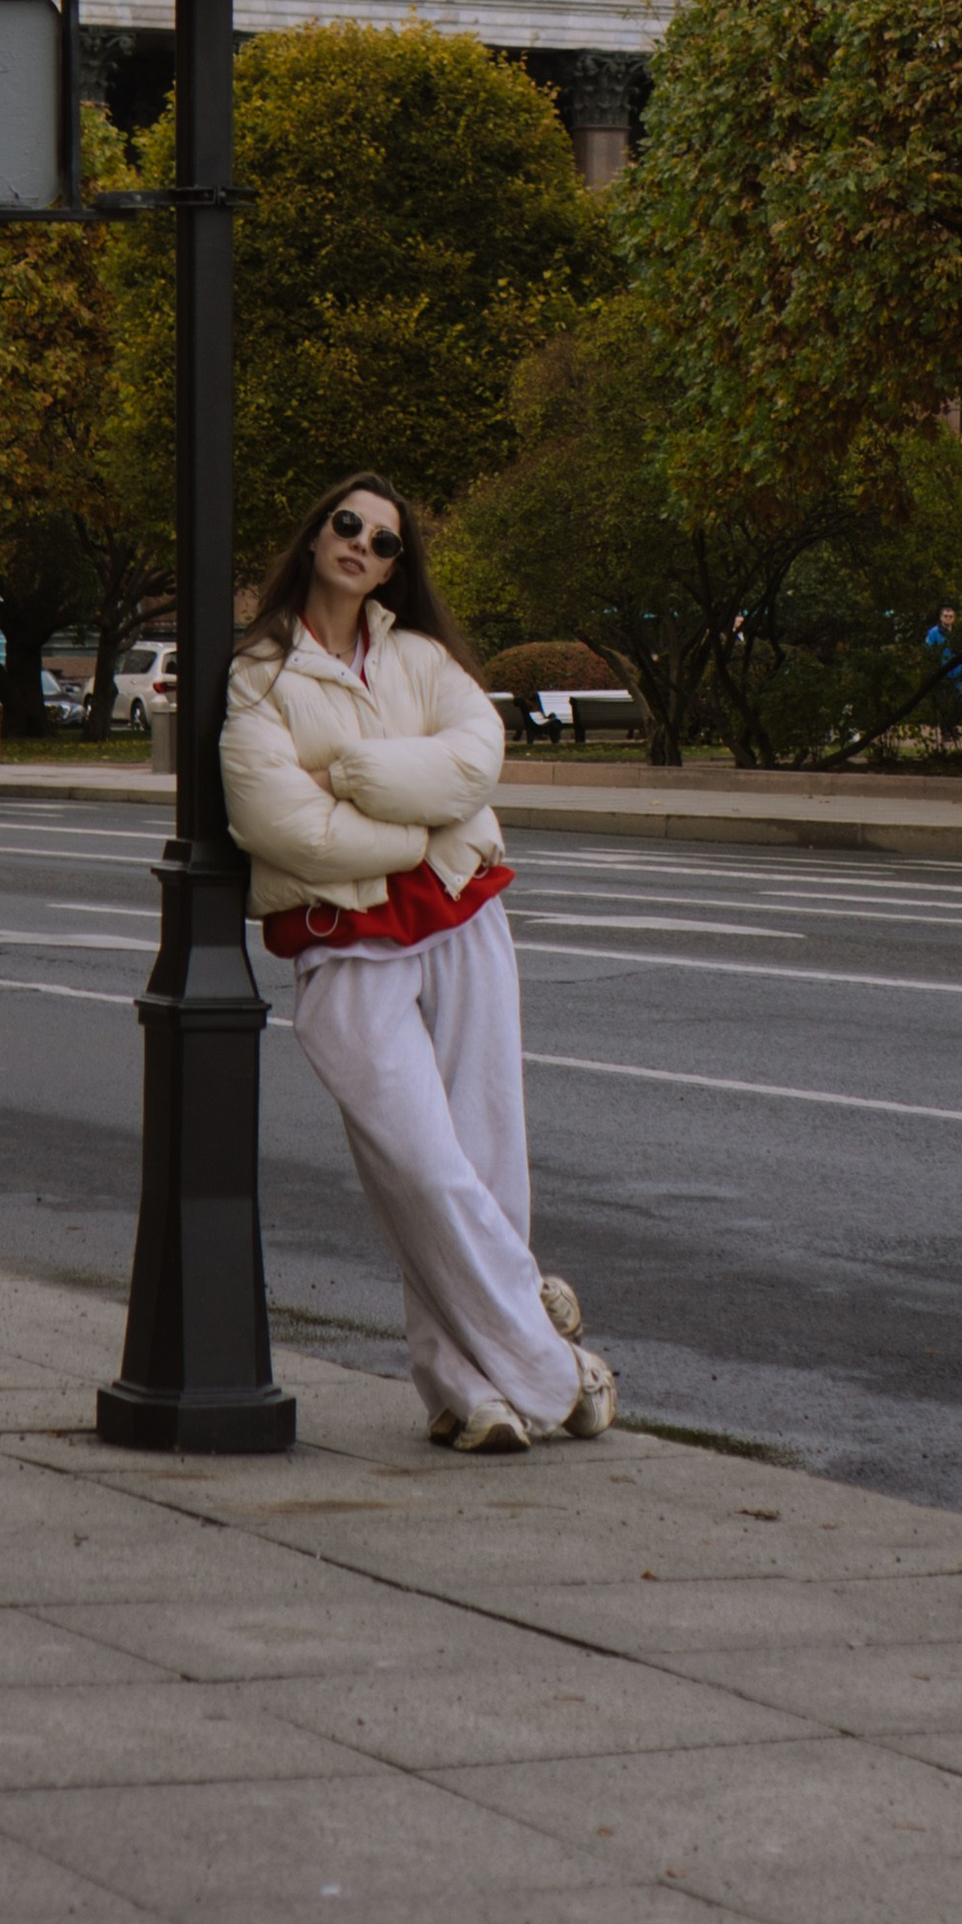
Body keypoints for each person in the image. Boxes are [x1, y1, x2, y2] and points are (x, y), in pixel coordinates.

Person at [221, 474, 618, 1455]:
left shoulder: (421, 655)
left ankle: (466, 1394)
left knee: (485, 1157)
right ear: (314, 536)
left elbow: (474, 762)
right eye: (345, 525)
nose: (361, 545)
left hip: (463, 915)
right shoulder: (257, 676)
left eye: (384, 540)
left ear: (400, 565)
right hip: (342, 942)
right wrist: (416, 824)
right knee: (421, 1167)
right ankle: (553, 1362)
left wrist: (355, 774)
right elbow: (281, 824)